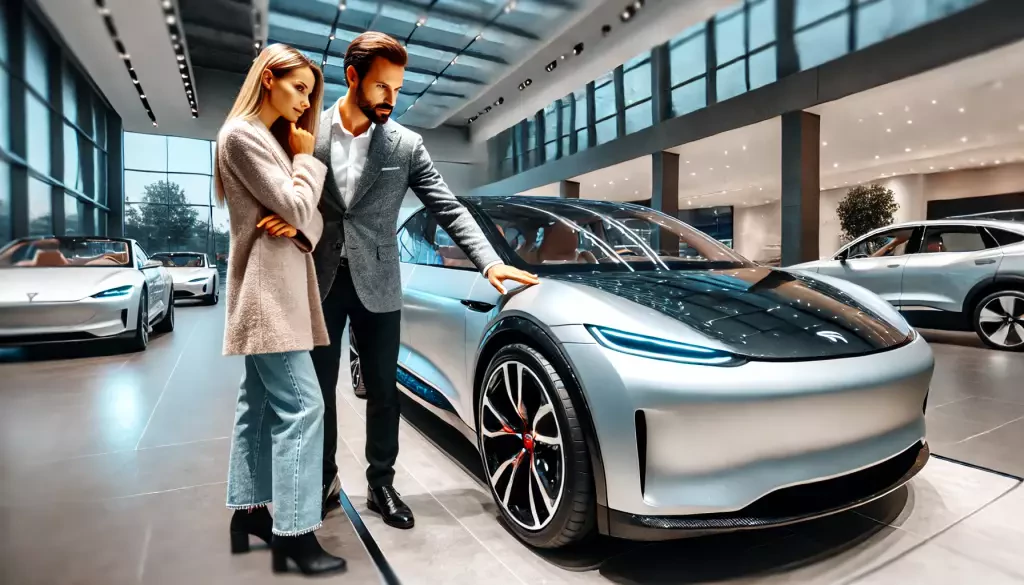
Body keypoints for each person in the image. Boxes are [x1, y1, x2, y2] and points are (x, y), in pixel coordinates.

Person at [257, 31, 540, 529]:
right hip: (317, 279)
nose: (393, 97)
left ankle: (382, 484)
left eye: (398, 87)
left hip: (380, 282)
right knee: (318, 391)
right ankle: (323, 480)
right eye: (383, 86)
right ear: (352, 78)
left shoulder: (406, 145)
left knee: (384, 390)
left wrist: (489, 262)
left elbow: (447, 206)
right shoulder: (305, 130)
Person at [214, 43, 346, 577]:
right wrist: (306, 162)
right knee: (304, 407)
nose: (303, 102)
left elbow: (310, 223)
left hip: (279, 291)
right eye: (298, 88)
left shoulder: (266, 141)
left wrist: (299, 222)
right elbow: (298, 206)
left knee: (261, 407)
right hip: (269, 295)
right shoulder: (243, 136)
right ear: (269, 78)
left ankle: (248, 513)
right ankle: (295, 533)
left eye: (310, 94)